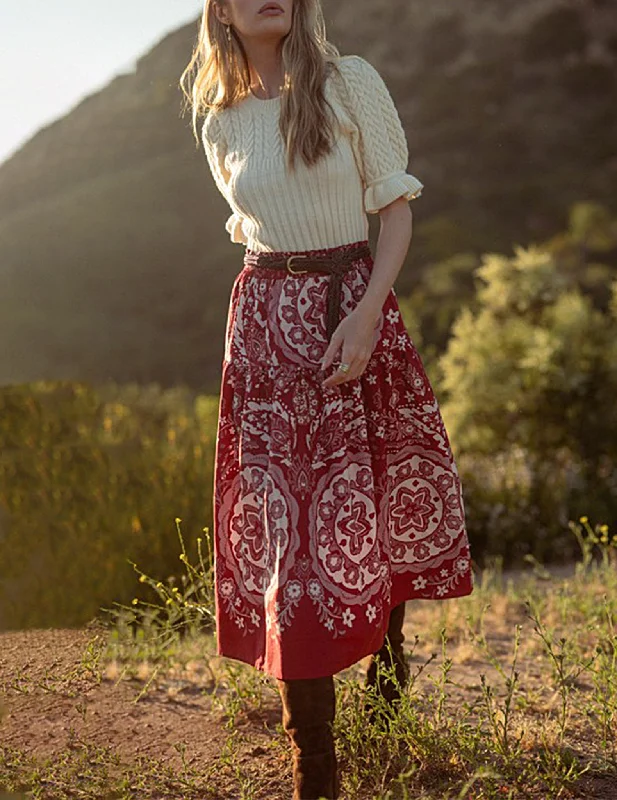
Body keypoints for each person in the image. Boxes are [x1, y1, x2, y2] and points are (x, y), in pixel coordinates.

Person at [180, 1, 475, 797]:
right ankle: (316, 759)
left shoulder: (351, 82)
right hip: (268, 328)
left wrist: (367, 311)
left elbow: (395, 208)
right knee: (289, 533)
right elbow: (251, 232)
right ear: (222, 12)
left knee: (369, 502)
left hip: (353, 301)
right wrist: (274, 335)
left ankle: (386, 673)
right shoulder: (218, 120)